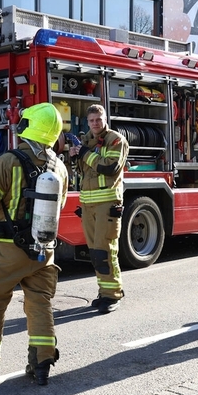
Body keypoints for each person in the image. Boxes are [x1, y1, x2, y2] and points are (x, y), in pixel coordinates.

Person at [0, 103, 68, 386]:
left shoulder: (9, 160)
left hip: (9, 249)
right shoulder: (59, 167)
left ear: (27, 126)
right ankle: (42, 362)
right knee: (40, 303)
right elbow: (59, 208)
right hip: (44, 251)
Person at [68, 104, 129, 313]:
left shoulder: (115, 140)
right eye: (92, 120)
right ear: (87, 122)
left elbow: (110, 167)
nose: (95, 124)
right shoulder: (86, 141)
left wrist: (85, 153)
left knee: (106, 251)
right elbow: (82, 171)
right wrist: (74, 156)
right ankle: (104, 292)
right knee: (95, 252)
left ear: (105, 120)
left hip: (107, 204)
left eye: (98, 120)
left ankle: (113, 295)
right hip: (88, 204)